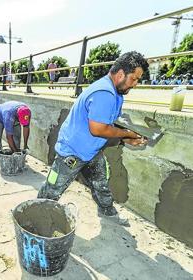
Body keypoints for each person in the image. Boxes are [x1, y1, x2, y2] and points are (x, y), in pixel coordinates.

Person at [38, 51, 149, 226]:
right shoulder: (105, 93)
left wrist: (124, 139)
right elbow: (98, 129)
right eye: (134, 79)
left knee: (100, 183)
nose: (135, 84)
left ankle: (107, 210)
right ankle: (38, 214)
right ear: (121, 74)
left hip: (92, 150)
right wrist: (127, 134)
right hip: (72, 153)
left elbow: (107, 124)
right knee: (52, 188)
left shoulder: (116, 92)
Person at [0, 101, 31, 168]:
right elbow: (9, 137)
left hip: (13, 115)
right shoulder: (8, 115)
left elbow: (26, 127)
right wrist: (15, 152)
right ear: (17, 116)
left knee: (17, 138)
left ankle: (17, 158)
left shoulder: (27, 111)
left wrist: (25, 145)